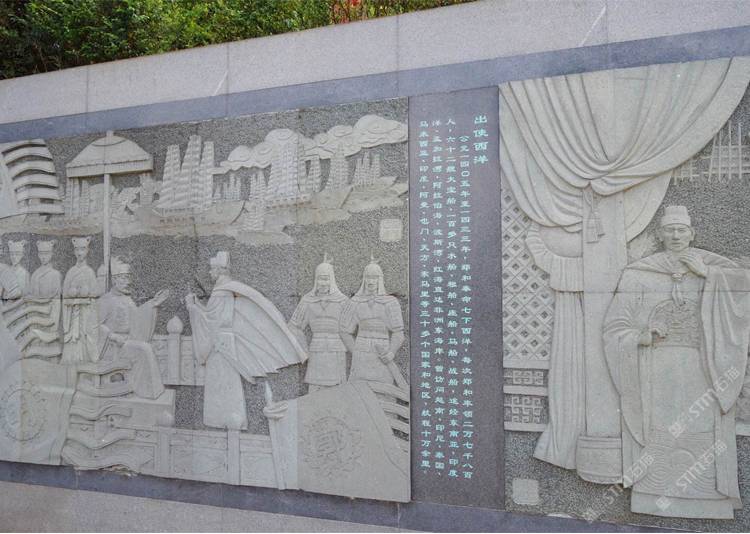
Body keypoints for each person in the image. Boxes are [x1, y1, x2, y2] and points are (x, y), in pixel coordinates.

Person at [604, 205, 750, 519]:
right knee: (661, 434)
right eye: (669, 230)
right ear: (659, 234)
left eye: (681, 230)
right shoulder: (639, 273)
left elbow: (744, 290)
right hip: (656, 373)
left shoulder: (713, 265)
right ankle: (651, 494)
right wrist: (643, 335)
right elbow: (615, 327)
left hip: (704, 369)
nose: (675, 235)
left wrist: (708, 274)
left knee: (703, 430)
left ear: (692, 233)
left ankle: (709, 498)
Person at [185, 251, 306, 430]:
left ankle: (222, 420)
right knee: (227, 383)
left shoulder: (220, 292)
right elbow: (213, 317)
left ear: (219, 270)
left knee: (223, 383)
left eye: (212, 269)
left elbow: (212, 323)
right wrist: (199, 306)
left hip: (219, 346)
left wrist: (192, 307)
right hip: (224, 343)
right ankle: (230, 419)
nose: (210, 273)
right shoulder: (227, 289)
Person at [97, 257, 168, 399]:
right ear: (114, 280)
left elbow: (137, 319)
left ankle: (147, 390)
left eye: (128, 277)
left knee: (146, 348)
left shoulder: (127, 300)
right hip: (112, 347)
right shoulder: (105, 300)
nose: (127, 282)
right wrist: (112, 336)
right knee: (144, 349)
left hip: (127, 342)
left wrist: (153, 304)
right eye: (123, 278)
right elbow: (94, 325)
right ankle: (146, 391)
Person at [288, 255, 349, 391]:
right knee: (315, 389)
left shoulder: (342, 301)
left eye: (326, 279)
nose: (323, 283)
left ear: (332, 279)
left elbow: (353, 327)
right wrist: (303, 350)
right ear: (316, 280)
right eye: (320, 278)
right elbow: (293, 326)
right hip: (316, 349)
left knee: (338, 391)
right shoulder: (307, 300)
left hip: (336, 350)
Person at [340, 258, 404, 385]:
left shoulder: (390, 303)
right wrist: (355, 351)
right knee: (358, 389)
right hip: (361, 353)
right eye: (368, 277)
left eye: (374, 278)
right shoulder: (355, 302)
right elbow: (344, 331)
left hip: (382, 352)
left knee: (383, 389)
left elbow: (398, 332)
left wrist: (391, 353)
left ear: (380, 279)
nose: (370, 281)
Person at [61, 236, 99, 364]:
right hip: (72, 314)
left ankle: (86, 358)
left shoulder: (90, 272)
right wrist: (72, 298)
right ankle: (70, 358)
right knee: (72, 337)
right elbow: (65, 293)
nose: (79, 253)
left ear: (87, 251)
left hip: (85, 313)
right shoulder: (71, 272)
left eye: (82, 249)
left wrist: (86, 297)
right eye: (77, 249)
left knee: (85, 334)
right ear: (74, 251)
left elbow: (94, 293)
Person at [26, 241, 63, 355]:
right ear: (38, 254)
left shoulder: (55, 274)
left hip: (49, 314)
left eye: (46, 253)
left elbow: (55, 300)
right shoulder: (34, 274)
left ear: (51, 254)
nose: (43, 256)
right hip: (36, 314)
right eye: (41, 253)